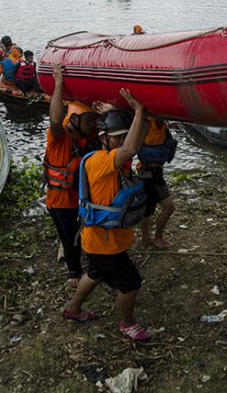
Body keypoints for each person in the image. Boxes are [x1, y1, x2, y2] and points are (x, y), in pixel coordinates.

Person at [63, 92, 152, 343]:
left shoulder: (116, 160)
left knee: (94, 273)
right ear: (103, 139)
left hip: (97, 239)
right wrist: (136, 108)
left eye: (124, 136)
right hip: (104, 243)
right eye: (118, 138)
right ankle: (128, 324)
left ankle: (73, 310)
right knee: (130, 282)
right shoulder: (101, 161)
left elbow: (140, 133)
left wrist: (121, 112)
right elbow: (132, 146)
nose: (123, 141)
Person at [44, 63, 100, 287]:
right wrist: (58, 82)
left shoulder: (90, 138)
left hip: (83, 199)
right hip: (61, 202)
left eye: (94, 120)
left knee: (86, 234)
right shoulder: (60, 138)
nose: (93, 124)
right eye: (88, 120)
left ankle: (89, 259)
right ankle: (74, 272)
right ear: (75, 119)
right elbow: (55, 120)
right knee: (70, 240)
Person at [137, 116, 176, 248]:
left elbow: (158, 138)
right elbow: (136, 146)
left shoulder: (163, 126)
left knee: (151, 209)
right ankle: (154, 238)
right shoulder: (146, 124)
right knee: (165, 207)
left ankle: (147, 237)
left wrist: (170, 127)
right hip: (147, 174)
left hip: (157, 173)